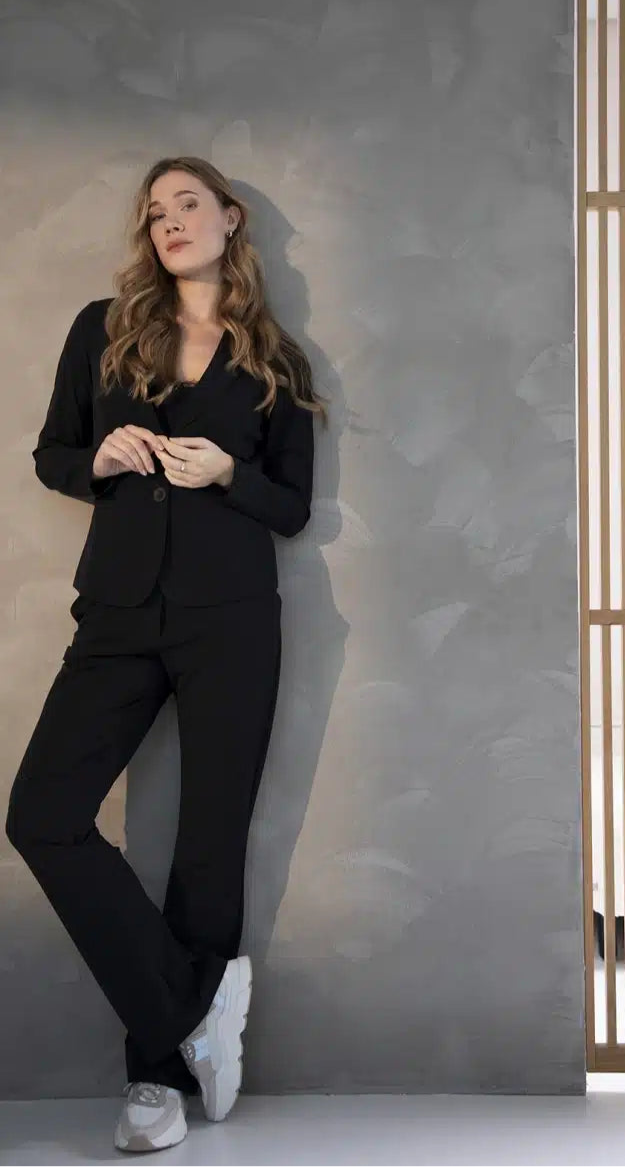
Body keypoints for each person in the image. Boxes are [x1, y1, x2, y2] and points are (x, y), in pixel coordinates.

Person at [4, 155, 327, 1153]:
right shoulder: (102, 329)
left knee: (206, 845)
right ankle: (197, 1005)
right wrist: (97, 461)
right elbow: (53, 454)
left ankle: (155, 1083)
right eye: (155, 212)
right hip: (117, 612)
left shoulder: (278, 362)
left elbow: (291, 506)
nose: (170, 221)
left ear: (230, 219)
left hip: (232, 618)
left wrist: (230, 471)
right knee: (43, 815)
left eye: (188, 203)